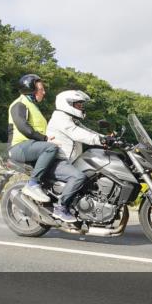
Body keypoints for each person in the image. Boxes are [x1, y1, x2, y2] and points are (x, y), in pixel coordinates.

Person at [46, 90, 109, 222]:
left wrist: (106, 138)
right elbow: (76, 133)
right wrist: (100, 140)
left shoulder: (71, 118)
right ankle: (60, 207)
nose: (81, 107)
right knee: (78, 176)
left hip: (70, 161)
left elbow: (87, 131)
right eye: (78, 104)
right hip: (58, 161)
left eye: (81, 104)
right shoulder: (60, 117)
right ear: (67, 104)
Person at [7, 73, 59, 205]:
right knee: (51, 148)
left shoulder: (33, 107)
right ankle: (32, 184)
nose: (44, 92)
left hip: (32, 146)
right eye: (41, 89)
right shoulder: (19, 104)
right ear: (31, 90)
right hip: (19, 147)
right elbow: (24, 127)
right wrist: (45, 138)